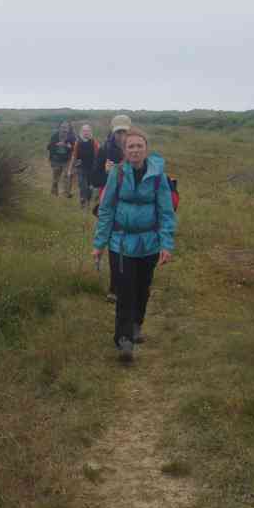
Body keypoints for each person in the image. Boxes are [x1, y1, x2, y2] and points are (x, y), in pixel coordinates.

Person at [92, 127, 176, 363]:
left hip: (149, 243)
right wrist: (99, 243)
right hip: (121, 244)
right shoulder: (117, 174)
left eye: (139, 145)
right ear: (125, 151)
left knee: (142, 288)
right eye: (131, 146)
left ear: (146, 149)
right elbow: (106, 209)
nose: (136, 150)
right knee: (125, 291)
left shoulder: (158, 175)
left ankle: (137, 324)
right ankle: (124, 339)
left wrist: (166, 244)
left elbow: (166, 212)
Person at [89, 114, 131, 302]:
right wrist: (106, 173)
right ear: (113, 132)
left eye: (125, 131)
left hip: (131, 204)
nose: (122, 136)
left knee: (129, 243)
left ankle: (129, 282)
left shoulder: (136, 148)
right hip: (110, 203)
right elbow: (94, 179)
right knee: (113, 241)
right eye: (118, 132)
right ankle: (114, 288)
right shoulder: (105, 150)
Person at [67, 123, 99, 209]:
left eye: (87, 131)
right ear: (81, 132)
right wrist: (70, 169)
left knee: (89, 187)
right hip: (81, 167)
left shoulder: (94, 142)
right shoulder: (78, 142)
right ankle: (82, 201)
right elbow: (74, 156)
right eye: (84, 131)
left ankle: (88, 202)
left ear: (90, 132)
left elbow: (98, 156)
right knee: (82, 185)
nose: (86, 132)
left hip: (91, 168)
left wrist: (99, 168)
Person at [47, 121, 76, 198]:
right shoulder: (55, 136)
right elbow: (49, 147)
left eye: (66, 127)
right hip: (56, 159)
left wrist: (69, 146)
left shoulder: (72, 137)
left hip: (67, 160)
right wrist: (56, 145)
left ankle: (66, 193)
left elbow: (76, 148)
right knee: (56, 178)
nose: (64, 129)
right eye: (63, 127)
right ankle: (54, 192)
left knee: (67, 175)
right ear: (59, 128)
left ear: (69, 128)